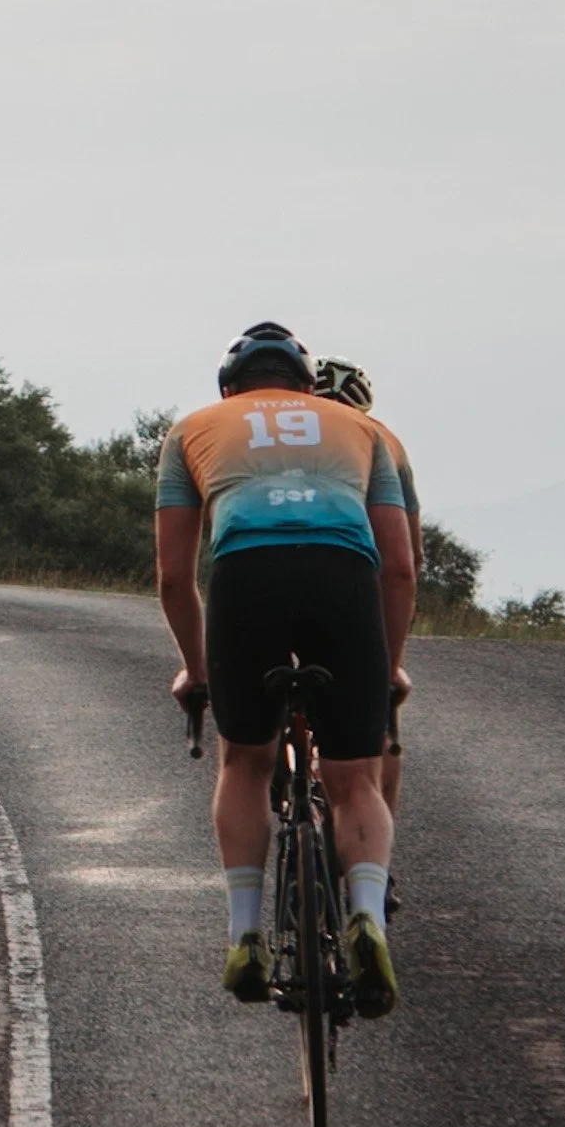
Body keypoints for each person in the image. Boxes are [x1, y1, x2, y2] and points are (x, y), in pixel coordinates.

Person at [155, 324, 415, 1016]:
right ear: (305, 384)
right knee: (356, 777)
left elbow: (174, 577)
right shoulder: (363, 430)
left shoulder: (193, 429)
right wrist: (387, 666)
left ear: (230, 388)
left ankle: (245, 933)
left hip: (248, 575)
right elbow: (399, 566)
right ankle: (366, 915)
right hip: (344, 577)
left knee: (244, 761)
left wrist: (195, 669)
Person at [314, 356, 419, 915]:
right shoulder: (383, 442)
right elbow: (409, 558)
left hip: (275, 586)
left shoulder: (287, 437)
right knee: (377, 724)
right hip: (365, 595)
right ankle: (375, 866)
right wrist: (392, 660)